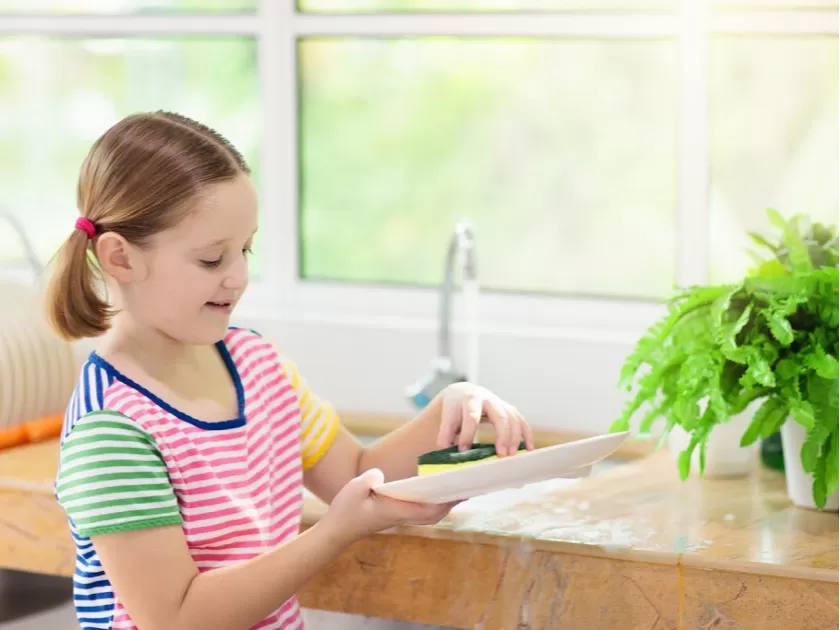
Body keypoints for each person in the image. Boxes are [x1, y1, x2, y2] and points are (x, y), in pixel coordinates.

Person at [46, 111, 534, 630]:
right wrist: (333, 532)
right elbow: (177, 618)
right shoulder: (111, 430)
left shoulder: (258, 365)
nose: (238, 277)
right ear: (120, 259)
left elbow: (355, 472)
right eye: (212, 259)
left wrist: (451, 411)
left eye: (245, 249)